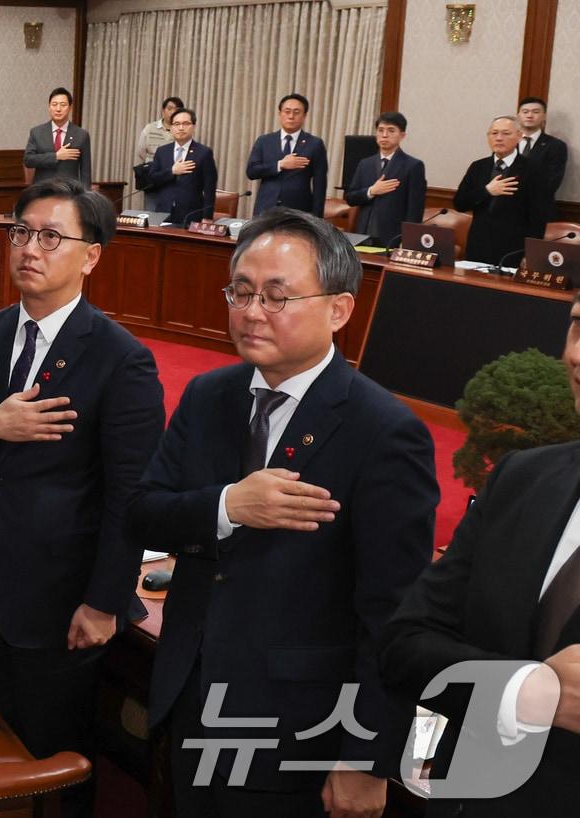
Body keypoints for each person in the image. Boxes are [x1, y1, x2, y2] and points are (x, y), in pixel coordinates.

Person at [128, 208, 438, 817]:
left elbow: (394, 615)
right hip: (189, 692)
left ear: (339, 310)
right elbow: (144, 513)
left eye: (276, 297)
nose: (250, 312)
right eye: (240, 293)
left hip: (296, 724)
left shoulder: (384, 431)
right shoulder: (209, 394)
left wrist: (365, 757)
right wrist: (228, 505)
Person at [0, 178, 165, 818]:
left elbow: (130, 495)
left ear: (91, 255)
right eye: (20, 232)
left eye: (51, 236)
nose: (30, 247)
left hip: (62, 594)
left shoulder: (120, 359)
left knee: (57, 752)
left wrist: (105, 601)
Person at [381, 291, 580, 817]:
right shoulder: (521, 478)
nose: (578, 353)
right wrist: (522, 690)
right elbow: (405, 647)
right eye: (579, 325)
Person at [454, 115, 548, 266]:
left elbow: (538, 217)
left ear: (519, 136)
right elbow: (459, 203)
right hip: (478, 246)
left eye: (506, 133)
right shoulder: (478, 167)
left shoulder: (533, 169)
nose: (499, 138)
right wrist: (487, 191)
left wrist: (531, 254)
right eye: (494, 133)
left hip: (513, 249)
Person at [343, 112, 426, 246]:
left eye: (391, 131)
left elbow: (415, 210)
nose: (384, 135)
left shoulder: (413, 166)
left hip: (392, 237)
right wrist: (371, 191)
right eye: (380, 130)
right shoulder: (365, 164)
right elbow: (350, 198)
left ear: (402, 135)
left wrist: (408, 240)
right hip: (362, 235)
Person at [246, 93, 328, 217]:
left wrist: (317, 217)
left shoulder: (315, 144)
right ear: (280, 114)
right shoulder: (264, 141)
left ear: (304, 116)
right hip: (266, 208)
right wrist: (280, 164)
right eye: (287, 111)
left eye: (296, 112)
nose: (291, 116)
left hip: (299, 210)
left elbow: (320, 184)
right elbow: (252, 172)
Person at [145, 107, 219, 226]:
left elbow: (210, 188)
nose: (181, 128)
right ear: (171, 128)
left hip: (191, 214)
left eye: (186, 124)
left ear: (193, 127)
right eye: (176, 124)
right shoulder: (162, 151)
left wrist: (207, 217)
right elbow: (152, 179)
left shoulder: (204, 153)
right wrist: (172, 171)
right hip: (163, 212)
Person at [23, 87, 91, 186]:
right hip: (42, 191)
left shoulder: (81, 135)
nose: (58, 109)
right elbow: (28, 160)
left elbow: (86, 172)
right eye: (54, 104)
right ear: (49, 107)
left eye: (63, 105)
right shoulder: (37, 132)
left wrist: (85, 198)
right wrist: (56, 156)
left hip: (69, 192)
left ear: (70, 108)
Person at [518, 97, 570, 222]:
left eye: (535, 112)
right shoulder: (507, 142)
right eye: (525, 112)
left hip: (538, 212)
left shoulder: (556, 146)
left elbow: (551, 183)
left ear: (544, 116)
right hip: (504, 211)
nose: (530, 115)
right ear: (518, 115)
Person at [137, 96, 183, 165]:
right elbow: (141, 151)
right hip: (152, 169)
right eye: (169, 109)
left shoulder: (182, 130)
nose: (173, 112)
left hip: (174, 170)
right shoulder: (149, 128)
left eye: (176, 110)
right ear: (163, 111)